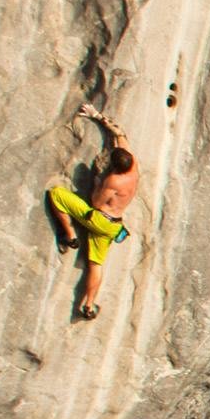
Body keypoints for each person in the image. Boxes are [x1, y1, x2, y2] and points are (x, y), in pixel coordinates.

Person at [47, 106, 143, 320]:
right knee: (95, 265)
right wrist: (97, 116)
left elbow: (96, 203)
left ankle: (70, 235)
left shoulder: (113, 180)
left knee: (57, 195)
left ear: (114, 166)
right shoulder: (133, 167)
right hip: (114, 225)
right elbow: (119, 133)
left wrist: (98, 183)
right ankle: (89, 306)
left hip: (98, 219)